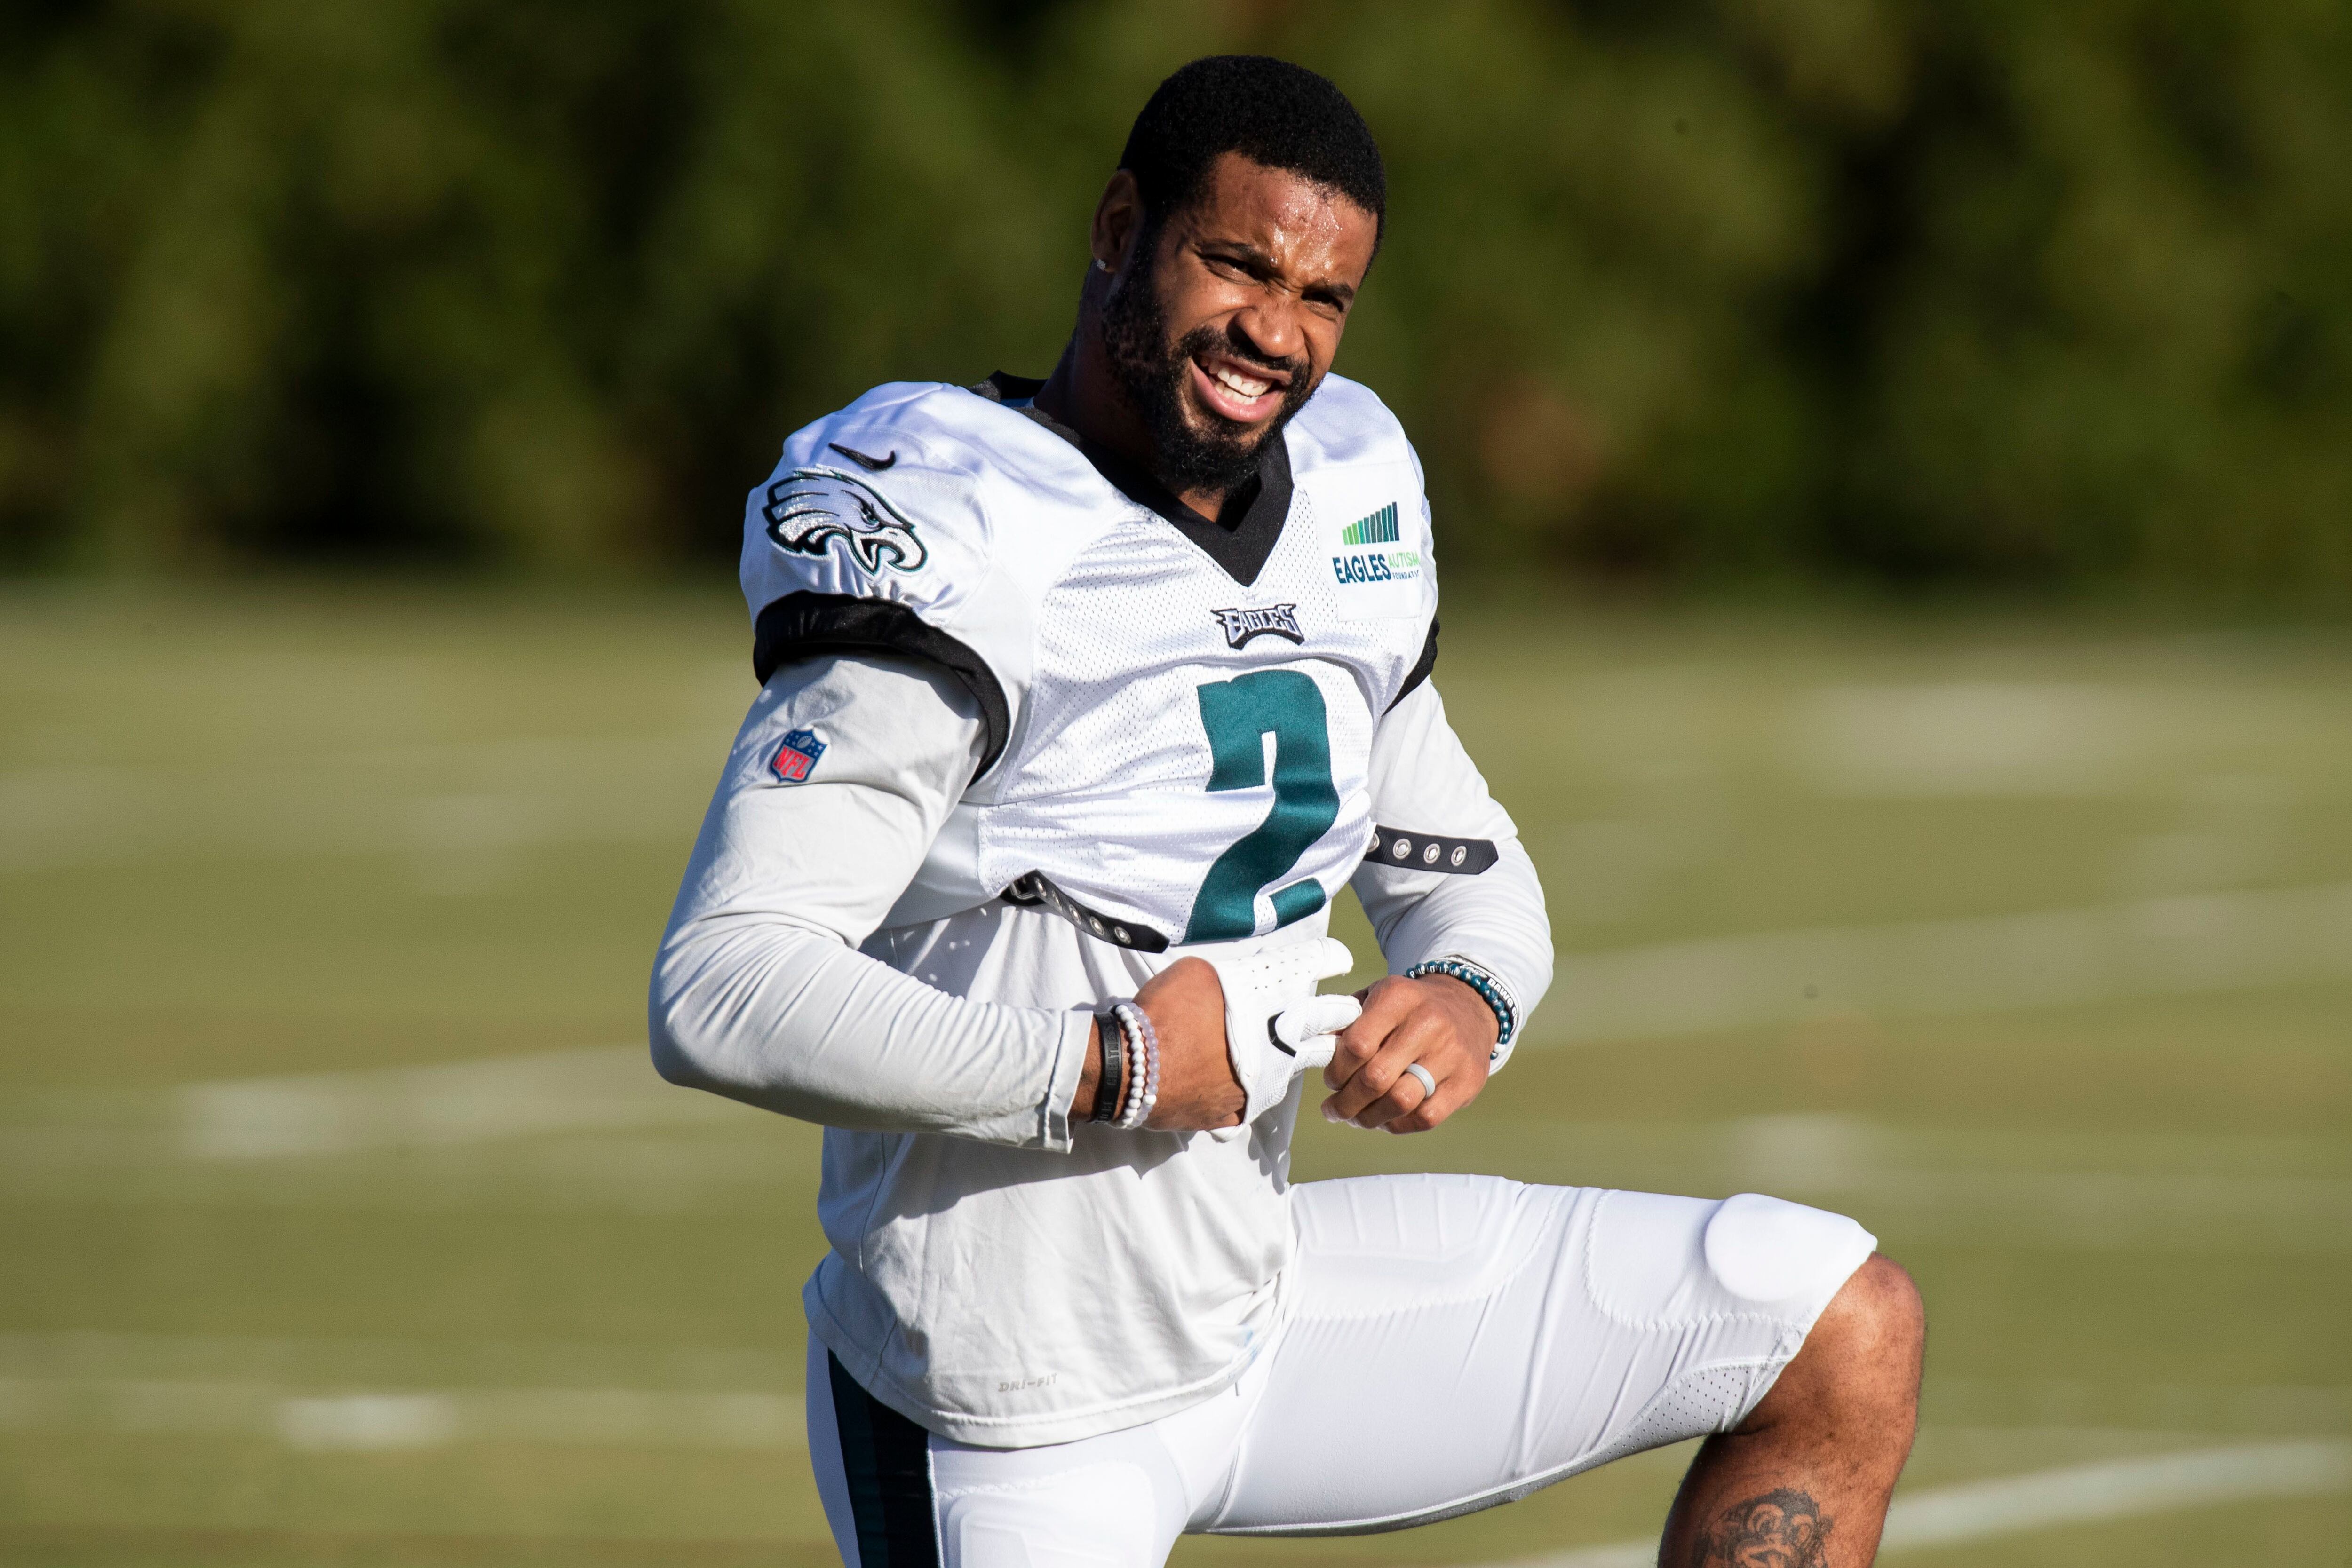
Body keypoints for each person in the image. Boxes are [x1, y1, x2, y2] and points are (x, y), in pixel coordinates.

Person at [650, 54, 1922, 1567]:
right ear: (1124, 226)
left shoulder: (1345, 494)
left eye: (1323, 297)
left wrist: (1464, 996)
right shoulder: (966, 523)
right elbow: (722, 988)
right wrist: (1109, 1065)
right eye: (1238, 264)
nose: (1277, 332)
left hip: (1256, 1310)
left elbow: (1471, 876)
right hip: (1002, 1406)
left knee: (1838, 1323)